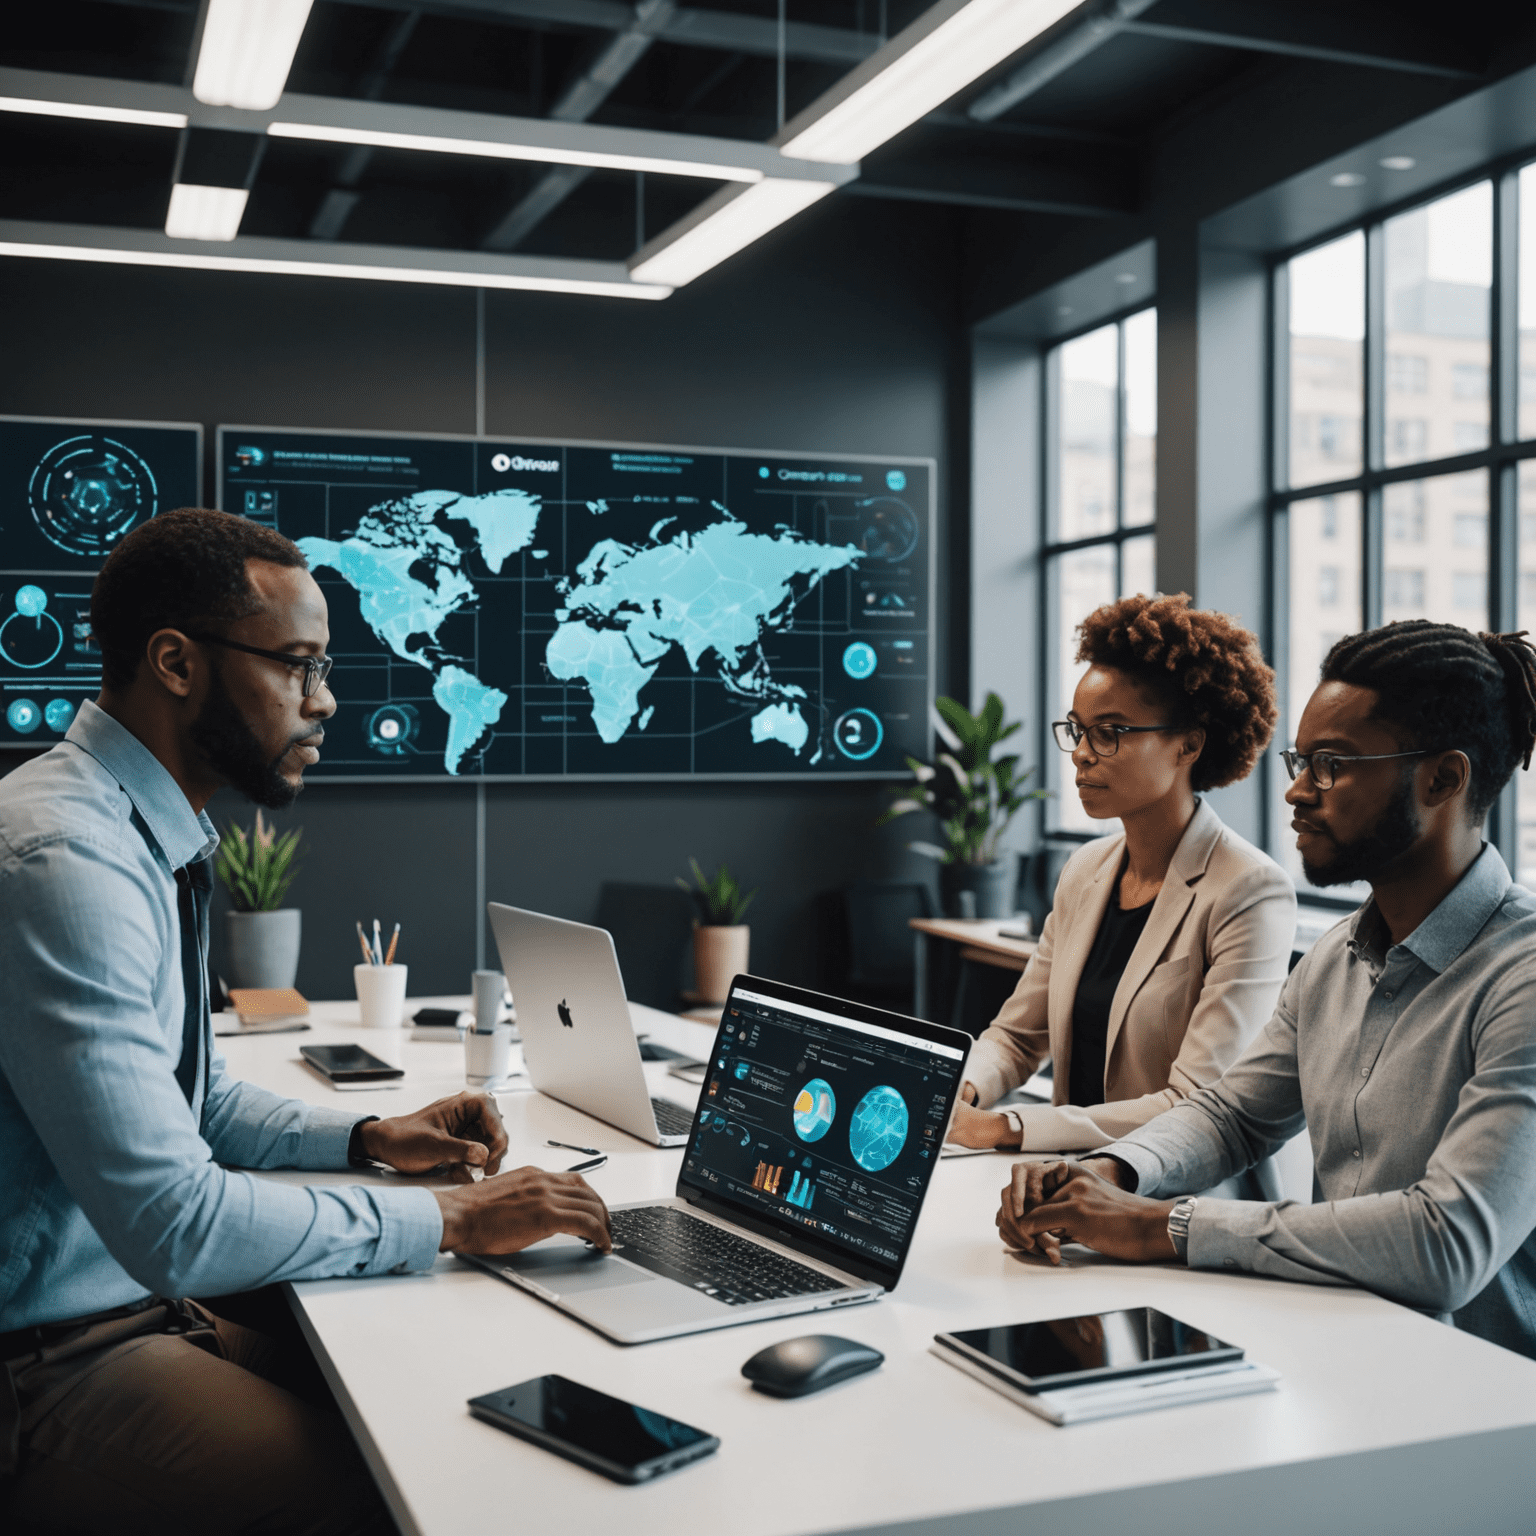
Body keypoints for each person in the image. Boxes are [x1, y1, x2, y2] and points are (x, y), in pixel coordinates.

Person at [0, 510, 613, 1533]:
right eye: (298, 667)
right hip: (49, 1361)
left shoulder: (135, 826)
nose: (323, 703)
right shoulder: (66, 859)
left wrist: (368, 1136)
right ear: (175, 663)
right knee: (399, 1496)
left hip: (132, 1311)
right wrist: (455, 1218)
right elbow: (174, 1219)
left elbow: (186, 1098)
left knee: (422, 1399)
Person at [996, 620, 1536, 1360]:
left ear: (1442, 778)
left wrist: (1157, 1225)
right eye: (1300, 760)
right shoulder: (1335, 958)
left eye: (1330, 765)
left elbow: (1449, 1243)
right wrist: (1103, 1174)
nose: (1295, 789)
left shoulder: (1523, 976)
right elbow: (1230, 1117)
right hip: (1334, 1357)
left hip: (1475, 1407)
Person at [948, 594, 1296, 1169]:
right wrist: (962, 1092)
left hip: (1170, 1201)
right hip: (1061, 1184)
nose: (1082, 755)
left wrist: (1005, 1126)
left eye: (1110, 732)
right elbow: (1015, 1037)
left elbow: (1196, 1104)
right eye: (1077, 730)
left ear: (1188, 743)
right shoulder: (1086, 869)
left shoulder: (1249, 891)